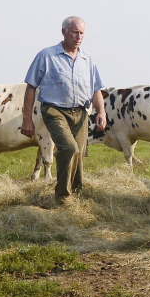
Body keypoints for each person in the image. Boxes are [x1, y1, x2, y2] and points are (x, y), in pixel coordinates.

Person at [21, 16, 107, 203]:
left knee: (79, 151)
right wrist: (27, 119)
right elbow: (30, 87)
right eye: (75, 32)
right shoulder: (47, 56)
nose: (78, 36)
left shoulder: (87, 58)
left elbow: (96, 88)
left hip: (81, 112)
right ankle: (62, 197)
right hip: (55, 111)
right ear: (64, 32)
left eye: (82, 33)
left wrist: (101, 112)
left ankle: (77, 192)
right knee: (69, 148)